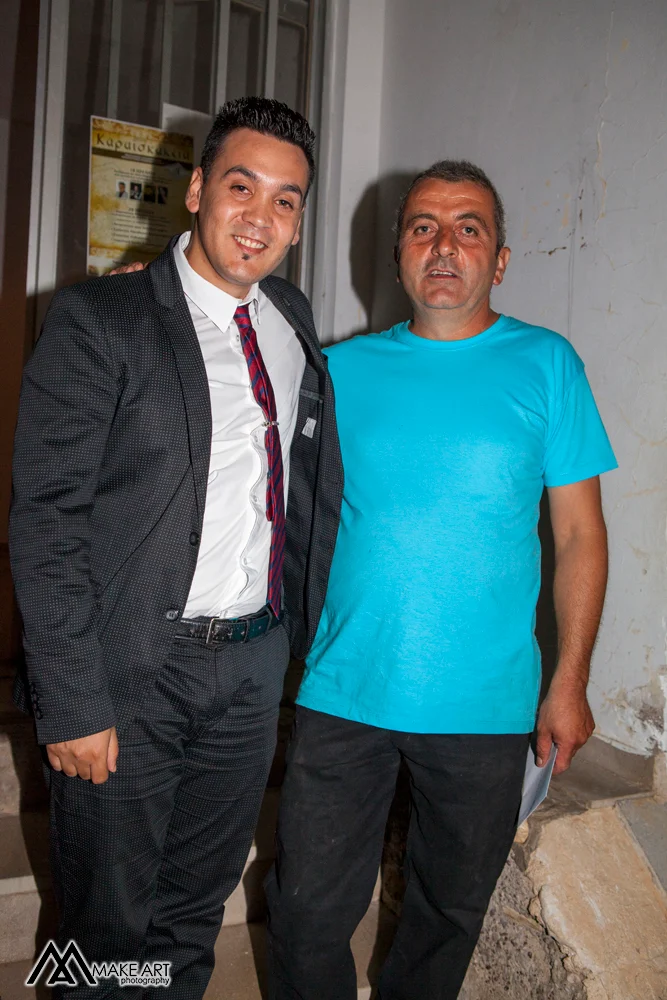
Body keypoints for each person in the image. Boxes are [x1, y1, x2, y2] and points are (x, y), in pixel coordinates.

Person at [9, 97, 342, 999]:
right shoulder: (100, 319)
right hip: (131, 672)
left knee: (192, 910)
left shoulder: (290, 319)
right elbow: (46, 519)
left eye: (285, 200)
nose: (261, 217)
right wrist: (71, 699)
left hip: (249, 668)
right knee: (104, 930)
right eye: (241, 187)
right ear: (195, 191)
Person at [265, 160, 617, 1000]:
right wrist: (157, 295)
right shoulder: (337, 372)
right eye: (423, 227)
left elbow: (579, 536)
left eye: (468, 228)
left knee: (446, 917)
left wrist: (569, 680)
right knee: (303, 913)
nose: (444, 245)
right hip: (342, 689)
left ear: (500, 260)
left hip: (485, 705)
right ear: (397, 256)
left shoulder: (547, 364)